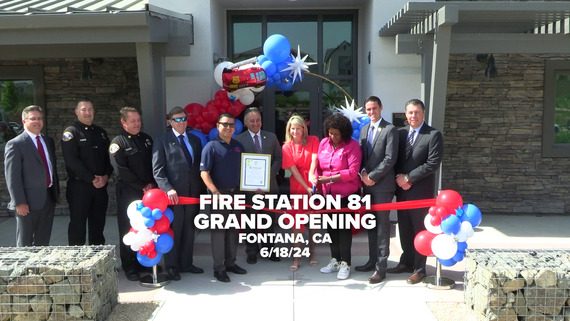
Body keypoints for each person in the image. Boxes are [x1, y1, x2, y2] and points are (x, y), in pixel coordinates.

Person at [388, 98, 443, 284]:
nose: (413, 115)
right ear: (406, 114)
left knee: (420, 232)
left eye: (417, 112)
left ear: (424, 113)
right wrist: (399, 180)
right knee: (404, 229)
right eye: (410, 112)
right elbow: (393, 159)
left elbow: (433, 163)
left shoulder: (433, 135)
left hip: (421, 193)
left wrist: (409, 178)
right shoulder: (400, 133)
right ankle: (406, 262)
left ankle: (420, 269)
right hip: (402, 192)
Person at [152, 106, 205, 281]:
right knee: (174, 231)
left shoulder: (195, 140)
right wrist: (168, 189)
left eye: (184, 119)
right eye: (177, 119)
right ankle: (172, 266)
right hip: (174, 197)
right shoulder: (162, 141)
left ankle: (187, 263)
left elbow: (198, 169)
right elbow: (158, 170)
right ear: (170, 121)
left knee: (190, 230)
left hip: (193, 195)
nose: (181, 122)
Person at [354, 96, 399, 284]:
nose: (371, 112)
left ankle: (381, 267)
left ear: (381, 107)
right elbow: (362, 156)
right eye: (368, 109)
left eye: (374, 108)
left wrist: (372, 177)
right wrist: (363, 173)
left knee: (382, 227)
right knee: (371, 225)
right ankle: (371, 260)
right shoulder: (364, 129)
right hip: (367, 186)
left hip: (382, 186)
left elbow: (390, 159)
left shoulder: (390, 130)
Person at [109, 107, 156, 281]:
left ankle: (145, 262)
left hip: (148, 192)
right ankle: (129, 265)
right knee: (129, 228)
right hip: (129, 192)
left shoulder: (147, 139)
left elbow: (154, 164)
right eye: (133, 121)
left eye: (138, 120)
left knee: (146, 226)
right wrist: (142, 185)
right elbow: (121, 170)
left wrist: (151, 184)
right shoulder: (117, 143)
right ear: (124, 122)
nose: (137, 123)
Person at [200, 113, 247, 283]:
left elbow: (246, 171)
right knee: (219, 233)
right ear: (217, 125)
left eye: (231, 125)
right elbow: (204, 173)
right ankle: (219, 268)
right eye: (225, 124)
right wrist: (214, 192)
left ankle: (231, 263)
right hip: (219, 195)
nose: (228, 128)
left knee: (233, 231)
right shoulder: (211, 147)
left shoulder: (238, 146)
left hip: (236, 194)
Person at [5, 105, 60, 246]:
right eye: (33, 118)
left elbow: (52, 169)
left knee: (43, 242)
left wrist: (55, 194)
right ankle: (24, 268)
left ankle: (40, 268)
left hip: (48, 198)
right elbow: (12, 177)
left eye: (40, 118)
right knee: (25, 243)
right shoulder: (15, 144)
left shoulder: (48, 141)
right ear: (24, 122)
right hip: (27, 203)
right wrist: (19, 202)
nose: (37, 121)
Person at [315, 113, 362, 280]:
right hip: (328, 195)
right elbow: (318, 166)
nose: (332, 136)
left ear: (344, 132)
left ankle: (345, 263)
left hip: (346, 195)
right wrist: (316, 177)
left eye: (336, 133)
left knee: (343, 229)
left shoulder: (352, 145)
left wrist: (330, 178)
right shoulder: (323, 143)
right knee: (331, 229)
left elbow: (352, 172)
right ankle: (334, 260)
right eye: (330, 132)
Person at [235, 107, 283, 264]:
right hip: (250, 190)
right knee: (251, 220)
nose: (256, 123)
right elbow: (237, 165)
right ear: (245, 122)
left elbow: (278, 158)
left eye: (258, 120)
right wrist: (251, 183)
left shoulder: (271, 137)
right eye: (252, 121)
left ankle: (269, 249)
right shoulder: (239, 140)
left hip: (269, 187)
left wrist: (266, 177)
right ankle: (252, 251)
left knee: (268, 220)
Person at [61, 98, 112, 246]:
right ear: (77, 112)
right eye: (84, 109)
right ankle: (78, 264)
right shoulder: (71, 133)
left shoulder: (101, 133)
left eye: (90, 109)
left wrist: (106, 176)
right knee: (78, 227)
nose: (88, 112)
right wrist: (92, 178)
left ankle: (99, 263)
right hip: (79, 187)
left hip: (100, 187)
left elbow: (109, 158)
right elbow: (72, 161)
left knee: (98, 227)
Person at [281, 115, 319, 271]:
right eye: (292, 128)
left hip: (314, 182)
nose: (295, 131)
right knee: (297, 223)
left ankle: (313, 253)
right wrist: (306, 186)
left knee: (314, 221)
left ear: (304, 128)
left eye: (298, 127)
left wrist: (311, 175)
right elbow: (293, 170)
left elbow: (315, 158)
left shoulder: (313, 140)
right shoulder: (286, 147)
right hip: (297, 186)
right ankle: (297, 257)